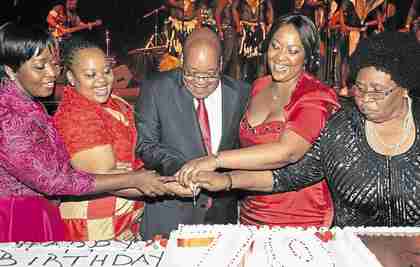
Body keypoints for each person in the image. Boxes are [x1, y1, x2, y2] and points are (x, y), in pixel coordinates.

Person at [191, 31, 420, 227]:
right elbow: (288, 175)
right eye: (359, 88)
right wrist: (227, 180)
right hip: (353, 251)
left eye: (377, 91)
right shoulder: (341, 128)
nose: (364, 99)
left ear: (405, 89)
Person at [0, 22, 172, 242]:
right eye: (40, 66)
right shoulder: (8, 115)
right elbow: (53, 181)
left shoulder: (28, 102)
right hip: (17, 219)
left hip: (41, 212)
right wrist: (132, 178)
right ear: (10, 70)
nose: (53, 73)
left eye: (53, 64)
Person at [177, 14, 340, 227]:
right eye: (275, 46)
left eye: (293, 51)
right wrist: (223, 180)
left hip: (300, 218)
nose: (280, 57)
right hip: (251, 212)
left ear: (307, 56)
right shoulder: (258, 87)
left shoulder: (314, 96)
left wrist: (215, 160)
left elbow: (287, 152)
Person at [136, 27, 251, 239]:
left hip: (221, 219)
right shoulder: (156, 89)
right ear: (181, 60)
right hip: (170, 215)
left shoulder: (242, 93)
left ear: (220, 64)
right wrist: (183, 169)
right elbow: (146, 145)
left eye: (209, 74)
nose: (200, 81)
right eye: (191, 73)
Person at [232, 0, 274, 82]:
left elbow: (270, 9)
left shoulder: (264, 1)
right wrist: (237, 24)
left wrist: (270, 24)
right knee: (241, 60)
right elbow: (234, 8)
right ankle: (238, 86)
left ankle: (260, 87)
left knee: (261, 60)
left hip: (260, 31)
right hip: (244, 31)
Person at [214, 0, 240, 79]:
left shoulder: (234, 2)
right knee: (227, 56)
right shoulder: (224, 1)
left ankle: (231, 80)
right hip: (227, 29)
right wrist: (220, 29)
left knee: (234, 57)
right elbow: (217, 14)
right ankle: (218, 76)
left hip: (233, 30)